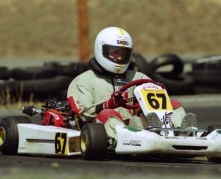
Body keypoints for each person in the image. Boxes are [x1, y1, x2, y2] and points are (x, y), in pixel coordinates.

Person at [67, 27, 197, 139]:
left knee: (174, 104)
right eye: (115, 52)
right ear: (102, 51)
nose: (119, 57)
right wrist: (108, 104)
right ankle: (130, 137)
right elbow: (83, 114)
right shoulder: (84, 80)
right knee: (107, 114)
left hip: (137, 124)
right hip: (101, 129)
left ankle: (180, 132)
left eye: (123, 53)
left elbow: (157, 102)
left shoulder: (137, 76)